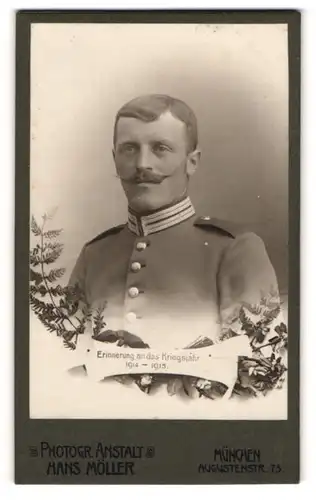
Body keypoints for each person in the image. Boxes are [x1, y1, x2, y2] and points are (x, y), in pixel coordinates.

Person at [69, 94, 279, 351]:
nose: (142, 164)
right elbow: (62, 361)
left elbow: (260, 367)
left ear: (192, 162)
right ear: (115, 159)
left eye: (161, 148)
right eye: (129, 148)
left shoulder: (234, 249)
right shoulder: (94, 255)